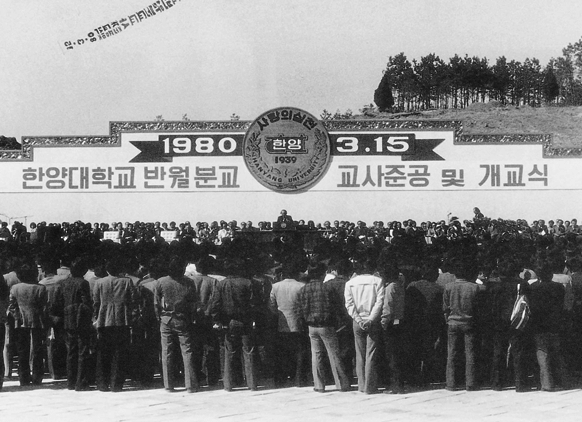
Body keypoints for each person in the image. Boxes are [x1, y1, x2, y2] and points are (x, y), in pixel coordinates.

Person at [299, 262, 351, 393]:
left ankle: (319, 385)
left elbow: (301, 309)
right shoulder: (327, 288)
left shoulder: (303, 289)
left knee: (316, 355)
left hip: (311, 326)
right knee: (334, 354)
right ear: (322, 274)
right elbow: (335, 307)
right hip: (327, 325)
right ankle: (341, 383)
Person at [208, 258, 258, 391]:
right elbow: (253, 304)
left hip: (229, 322)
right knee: (248, 351)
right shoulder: (248, 283)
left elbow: (215, 304)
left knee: (229, 352)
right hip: (246, 321)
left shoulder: (221, 284)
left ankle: (228, 384)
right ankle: (252, 383)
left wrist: (216, 320)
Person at [442, 245, 485, 391]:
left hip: (453, 322)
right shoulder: (475, 287)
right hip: (469, 321)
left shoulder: (448, 287)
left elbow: (445, 308)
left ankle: (451, 383)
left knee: (452, 354)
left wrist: (447, 320)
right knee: (470, 353)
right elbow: (478, 308)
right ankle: (470, 383)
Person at [155, 256, 199, 393]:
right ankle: (190, 384)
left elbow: (156, 303)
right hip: (183, 319)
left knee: (167, 352)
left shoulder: (161, 282)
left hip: (166, 319)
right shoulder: (189, 282)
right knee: (187, 351)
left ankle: (169, 385)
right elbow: (194, 303)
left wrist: (159, 317)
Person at [93, 256, 134, 392]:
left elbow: (96, 302)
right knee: (119, 353)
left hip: (104, 320)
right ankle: (116, 383)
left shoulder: (99, 283)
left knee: (103, 353)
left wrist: (95, 318)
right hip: (122, 320)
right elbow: (133, 299)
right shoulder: (127, 282)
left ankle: (102, 383)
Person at [344, 254, 384, 394]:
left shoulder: (350, 283)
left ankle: (361, 385)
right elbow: (379, 302)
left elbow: (349, 304)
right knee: (371, 353)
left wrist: (358, 319)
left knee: (359, 354)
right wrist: (371, 319)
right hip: (372, 321)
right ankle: (370, 386)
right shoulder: (378, 281)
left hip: (357, 321)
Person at [269, 256, 309, 388]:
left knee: (282, 353)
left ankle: (280, 379)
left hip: (281, 324)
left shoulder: (275, 286)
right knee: (299, 352)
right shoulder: (301, 286)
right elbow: (304, 306)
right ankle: (299, 379)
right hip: (298, 323)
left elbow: (272, 306)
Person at [528, 263, 566, 391]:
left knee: (542, 353)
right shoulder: (559, 287)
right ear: (551, 275)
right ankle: (562, 380)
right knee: (557, 352)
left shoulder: (533, 288)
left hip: (539, 324)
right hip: (555, 324)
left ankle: (547, 383)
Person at [57, 257, 93, 391]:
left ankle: (70, 381)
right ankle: (81, 381)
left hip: (68, 319)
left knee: (71, 351)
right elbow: (86, 302)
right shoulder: (83, 283)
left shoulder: (63, 283)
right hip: (80, 319)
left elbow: (58, 301)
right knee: (82, 350)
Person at [8, 260, 46, 386]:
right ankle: (37, 376)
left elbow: (12, 305)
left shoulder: (15, 288)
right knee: (37, 349)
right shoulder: (41, 288)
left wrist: (17, 316)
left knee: (22, 350)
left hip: (20, 322)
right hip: (37, 321)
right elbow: (44, 306)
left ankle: (23, 377)